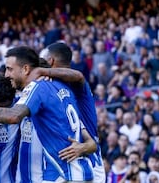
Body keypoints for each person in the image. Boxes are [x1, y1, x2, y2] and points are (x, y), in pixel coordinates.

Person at [0, 46, 96, 182]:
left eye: (9, 69)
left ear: (26, 69)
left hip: (59, 175)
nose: (7, 75)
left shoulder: (37, 90)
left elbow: (13, 116)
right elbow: (78, 77)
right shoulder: (60, 92)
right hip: (67, 174)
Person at [32, 42, 107, 183]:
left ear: (51, 60)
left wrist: (44, 72)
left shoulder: (74, 82)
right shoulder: (54, 84)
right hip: (71, 161)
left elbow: (78, 75)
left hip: (89, 158)